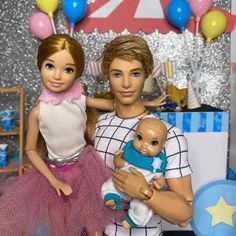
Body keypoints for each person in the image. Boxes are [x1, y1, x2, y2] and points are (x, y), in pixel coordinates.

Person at [0, 34, 128, 236]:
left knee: (94, 226)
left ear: (77, 73)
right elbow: (31, 150)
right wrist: (53, 181)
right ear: (40, 65)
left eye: (68, 70)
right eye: (50, 66)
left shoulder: (78, 99)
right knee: (60, 228)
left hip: (85, 170)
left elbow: (114, 104)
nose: (57, 76)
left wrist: (141, 103)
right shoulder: (38, 112)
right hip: (53, 175)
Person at [94, 34, 193, 236]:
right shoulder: (100, 125)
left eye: (135, 73)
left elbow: (185, 215)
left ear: (147, 73)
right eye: (117, 74)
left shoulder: (169, 135)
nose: (126, 83)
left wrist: (146, 193)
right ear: (107, 75)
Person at [101, 118, 167, 229]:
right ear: (134, 135)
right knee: (110, 184)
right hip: (121, 182)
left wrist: (158, 184)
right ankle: (112, 199)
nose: (144, 146)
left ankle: (132, 220)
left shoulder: (158, 161)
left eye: (153, 143)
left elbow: (160, 177)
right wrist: (117, 158)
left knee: (144, 206)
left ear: (162, 147)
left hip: (141, 191)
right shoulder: (131, 151)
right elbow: (121, 164)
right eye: (140, 138)